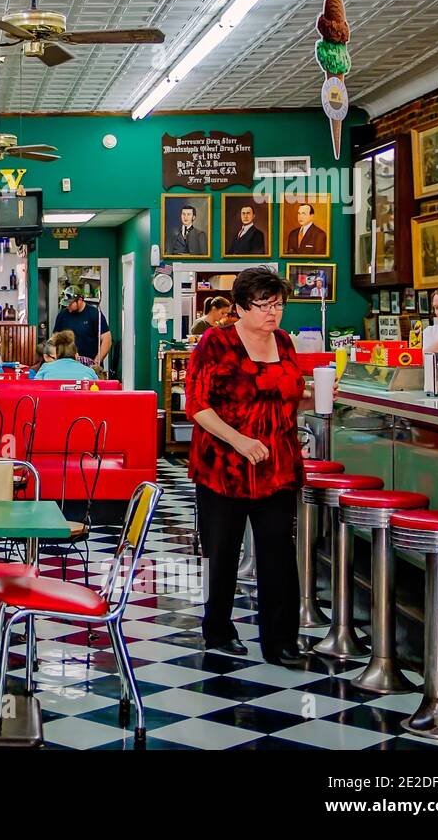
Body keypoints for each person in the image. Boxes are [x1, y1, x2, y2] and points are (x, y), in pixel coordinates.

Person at [185, 267, 303, 666]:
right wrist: (238, 440)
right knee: (223, 551)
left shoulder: (285, 342)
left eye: (279, 304)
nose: (274, 313)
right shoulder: (214, 344)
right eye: (264, 305)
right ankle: (218, 629)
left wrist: (315, 398)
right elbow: (197, 405)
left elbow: (283, 397)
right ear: (239, 307)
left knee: (278, 552)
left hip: (276, 465)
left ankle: (282, 639)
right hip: (224, 465)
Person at [52, 289, 112, 368]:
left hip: (90, 364)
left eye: (70, 304)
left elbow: (107, 339)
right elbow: (54, 339)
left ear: (80, 300)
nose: (68, 306)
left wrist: (97, 361)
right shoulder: (62, 315)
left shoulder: (94, 314)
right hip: (66, 365)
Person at [33, 330, 99, 381]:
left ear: (57, 355)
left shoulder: (45, 368)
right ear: (76, 356)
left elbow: (35, 390)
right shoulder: (90, 372)